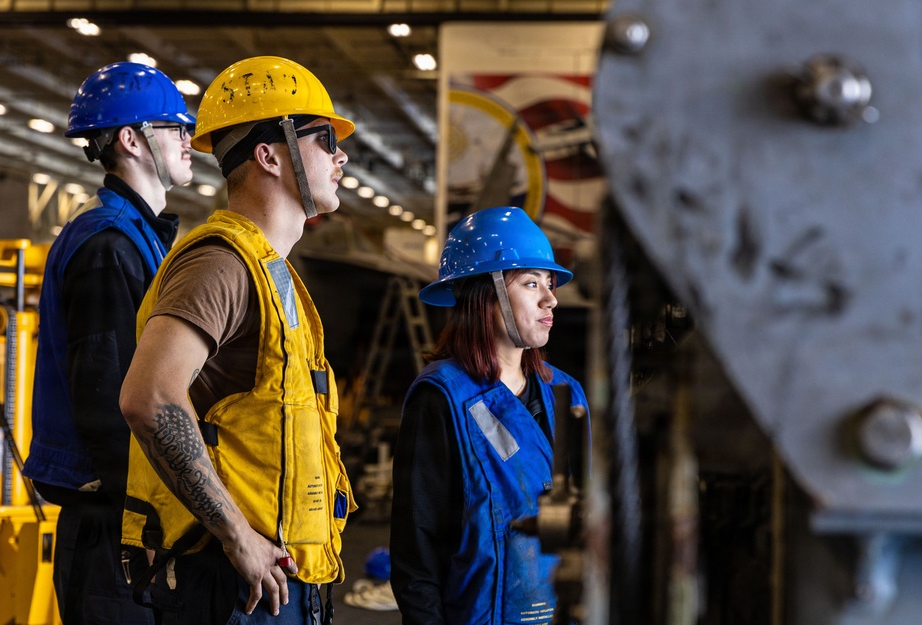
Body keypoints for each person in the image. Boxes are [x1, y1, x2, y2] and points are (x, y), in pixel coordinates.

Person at [119, 55, 357, 625]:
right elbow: (149, 398)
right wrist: (236, 537)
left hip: (278, 583)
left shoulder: (271, 271)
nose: (340, 155)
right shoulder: (220, 265)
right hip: (231, 587)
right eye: (323, 139)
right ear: (268, 155)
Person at [23, 61, 195, 625]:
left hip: (121, 520)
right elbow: (108, 400)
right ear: (131, 139)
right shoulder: (108, 246)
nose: (189, 140)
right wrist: (151, 518)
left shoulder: (136, 236)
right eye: (175, 128)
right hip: (114, 528)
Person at [389, 206, 590, 625]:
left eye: (550, 284)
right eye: (531, 283)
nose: (550, 298)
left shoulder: (565, 393)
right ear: (486, 293)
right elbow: (416, 557)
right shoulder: (441, 399)